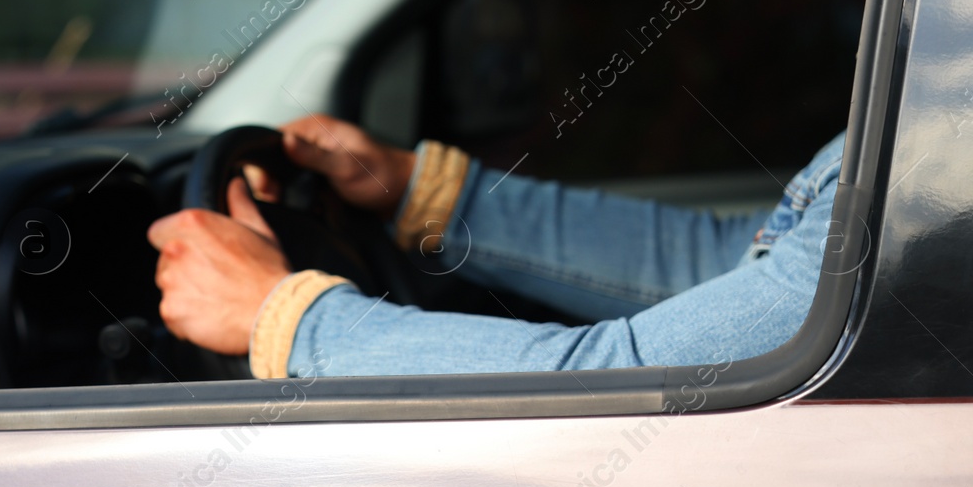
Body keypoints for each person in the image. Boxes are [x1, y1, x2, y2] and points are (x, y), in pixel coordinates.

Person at [148, 114, 845, 379]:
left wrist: (285, 316)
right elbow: (731, 259)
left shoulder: (938, 164)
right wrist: (420, 194)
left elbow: (620, 383)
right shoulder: (928, 121)